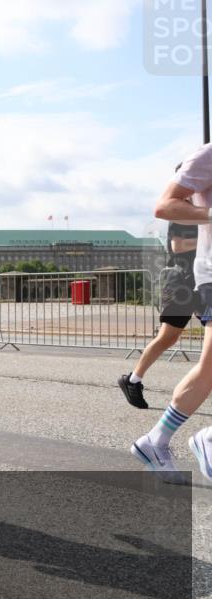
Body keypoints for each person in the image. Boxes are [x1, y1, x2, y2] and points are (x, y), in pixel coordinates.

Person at [132, 143, 212, 482]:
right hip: (208, 274)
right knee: (185, 348)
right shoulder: (207, 156)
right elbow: (164, 206)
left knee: (209, 367)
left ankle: (159, 440)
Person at [118, 170, 204, 409]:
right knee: (168, 336)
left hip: (201, 280)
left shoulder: (201, 210)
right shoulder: (180, 210)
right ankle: (133, 380)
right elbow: (178, 246)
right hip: (180, 281)